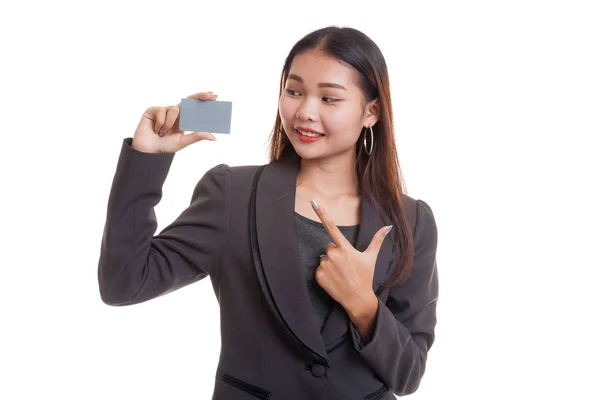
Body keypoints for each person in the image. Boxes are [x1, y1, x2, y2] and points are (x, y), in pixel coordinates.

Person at [98, 26, 439, 400]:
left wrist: (364, 305)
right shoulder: (233, 194)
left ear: (371, 111)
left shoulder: (412, 220)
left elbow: (409, 375)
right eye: (294, 91)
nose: (305, 112)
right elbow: (124, 283)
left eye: (329, 98)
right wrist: (146, 160)